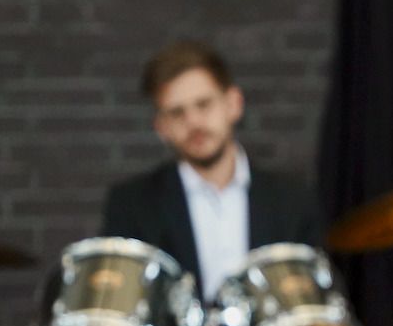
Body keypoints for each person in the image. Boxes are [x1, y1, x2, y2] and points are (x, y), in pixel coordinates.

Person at [101, 40, 323, 302]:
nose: (194, 122)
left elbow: (315, 298)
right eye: (177, 113)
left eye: (204, 104)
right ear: (161, 127)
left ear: (233, 104)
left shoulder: (291, 199)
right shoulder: (132, 204)